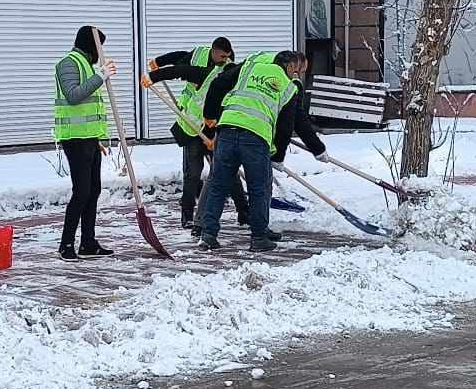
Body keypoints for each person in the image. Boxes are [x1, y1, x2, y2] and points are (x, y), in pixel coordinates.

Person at [195, 50, 327, 252]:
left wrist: (210, 118)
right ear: (290, 67)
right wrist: (278, 157)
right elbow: (286, 126)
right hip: (255, 139)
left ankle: (208, 235)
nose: (297, 76)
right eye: (298, 71)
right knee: (259, 189)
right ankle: (258, 238)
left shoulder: (250, 67)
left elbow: (218, 84)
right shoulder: (288, 87)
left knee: (218, 186)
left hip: (227, 130)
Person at [144, 37, 250, 235]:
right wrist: (155, 70)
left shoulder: (228, 70)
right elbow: (180, 65)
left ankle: (243, 212)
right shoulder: (202, 68)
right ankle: (187, 215)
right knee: (192, 174)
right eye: (222, 56)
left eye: (228, 57)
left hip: (215, 128)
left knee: (229, 172)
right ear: (214, 51)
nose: (225, 59)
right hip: (193, 127)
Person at [54, 26, 118, 261]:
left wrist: (97, 139)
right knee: (81, 192)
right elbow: (73, 95)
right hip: (75, 138)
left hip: (89, 139)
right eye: (98, 47)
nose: (100, 53)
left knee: (93, 190)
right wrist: (100, 76)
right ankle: (66, 244)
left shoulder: (86, 66)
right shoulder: (68, 63)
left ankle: (88, 243)